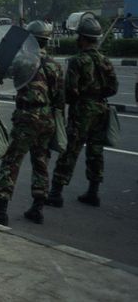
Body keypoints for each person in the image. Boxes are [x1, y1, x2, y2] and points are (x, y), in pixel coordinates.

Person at [0, 21, 64, 226]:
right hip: (47, 117)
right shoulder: (55, 65)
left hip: (27, 116)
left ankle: (1, 208)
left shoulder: (25, 62)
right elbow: (59, 97)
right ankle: (38, 207)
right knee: (41, 162)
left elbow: (2, 72)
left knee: (11, 161)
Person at [46, 14, 118, 208]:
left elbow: (70, 91)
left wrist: (77, 99)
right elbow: (113, 88)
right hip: (101, 109)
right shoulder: (106, 61)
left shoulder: (77, 61)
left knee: (70, 150)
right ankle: (93, 191)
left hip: (82, 110)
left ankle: (56, 192)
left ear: (83, 38)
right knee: (96, 151)